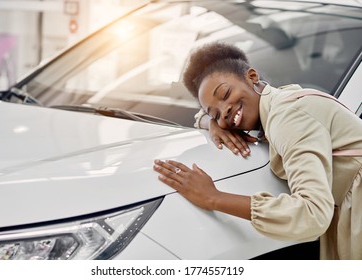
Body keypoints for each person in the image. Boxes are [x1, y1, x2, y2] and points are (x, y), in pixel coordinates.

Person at [153, 42, 362, 259]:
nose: (224, 112)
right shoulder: (277, 101)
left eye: (225, 94)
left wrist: (213, 198)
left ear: (252, 76)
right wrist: (211, 123)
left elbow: (312, 214)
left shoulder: (288, 117)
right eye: (216, 114)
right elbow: (201, 116)